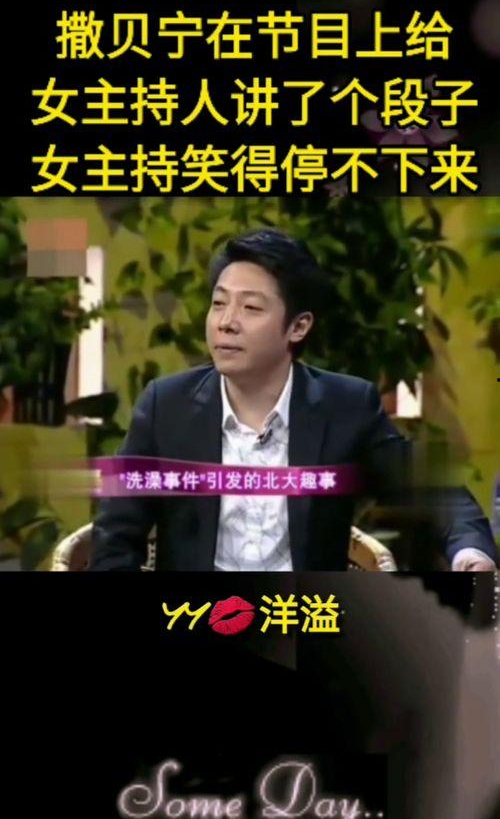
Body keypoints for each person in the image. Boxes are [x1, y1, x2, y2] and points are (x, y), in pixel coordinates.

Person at [89, 230, 497, 572]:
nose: (226, 322)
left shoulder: (345, 407)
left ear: (298, 327)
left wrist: (470, 551)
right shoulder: (167, 406)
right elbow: (116, 536)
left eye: (250, 307)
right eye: (218, 303)